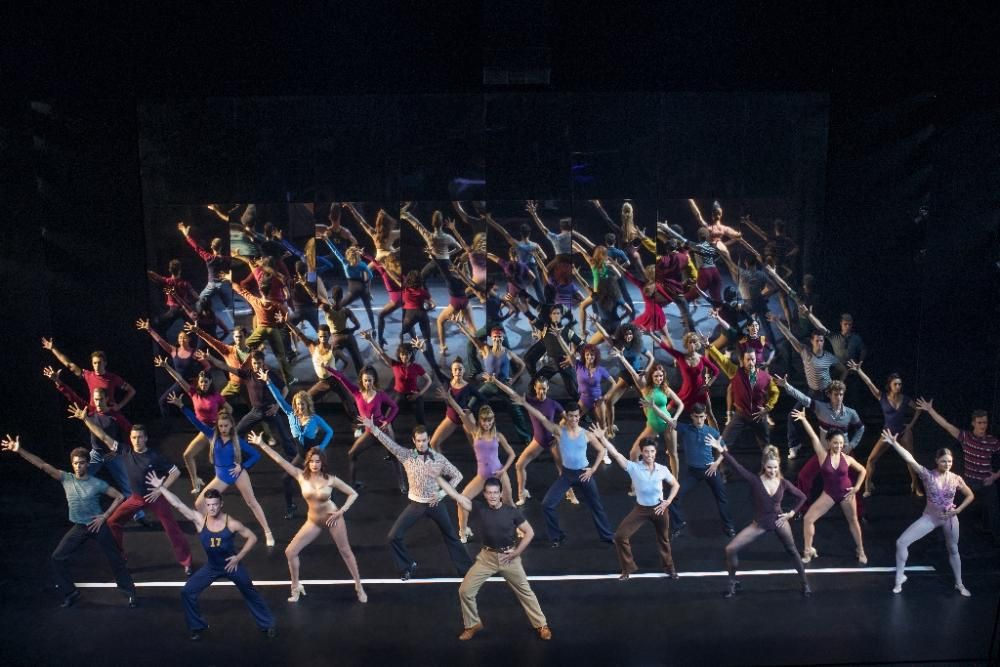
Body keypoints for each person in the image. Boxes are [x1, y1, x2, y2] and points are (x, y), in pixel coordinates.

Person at [1, 435, 137, 608]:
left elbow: (119, 496)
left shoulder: (97, 483)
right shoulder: (66, 478)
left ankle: (130, 592)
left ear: (87, 464)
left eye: (81, 462)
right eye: (75, 463)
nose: (78, 466)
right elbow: (42, 465)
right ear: (72, 464)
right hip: (79, 527)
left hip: (97, 527)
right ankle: (71, 593)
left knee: (115, 559)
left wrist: (104, 516)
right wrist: (19, 450)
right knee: (57, 558)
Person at [146, 477, 276, 640]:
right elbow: (178, 504)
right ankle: (197, 626)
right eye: (208, 505)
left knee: (251, 593)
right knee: (187, 592)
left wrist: (238, 557)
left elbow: (252, 537)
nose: (212, 508)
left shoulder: (231, 523)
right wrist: (162, 488)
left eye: (215, 504)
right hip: (213, 567)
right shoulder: (200, 521)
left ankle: (267, 624)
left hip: (232, 566)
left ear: (221, 504)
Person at [70, 409, 193, 574]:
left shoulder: (154, 456)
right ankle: (121, 558)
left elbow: (175, 471)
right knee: (113, 522)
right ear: (130, 438)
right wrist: (86, 419)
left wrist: (160, 489)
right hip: (136, 498)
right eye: (134, 437)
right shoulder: (125, 451)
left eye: (140, 437)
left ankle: (186, 562)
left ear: (146, 438)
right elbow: (104, 437)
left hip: (154, 498)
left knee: (172, 528)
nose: (137, 440)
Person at [250, 437, 367, 603]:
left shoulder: (331, 479)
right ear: (308, 462)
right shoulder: (300, 476)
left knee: (345, 551)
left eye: (318, 461)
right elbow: (280, 461)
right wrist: (262, 444)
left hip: (332, 519)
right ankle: (296, 587)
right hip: (313, 521)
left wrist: (341, 511)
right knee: (290, 552)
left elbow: (353, 493)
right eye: (312, 461)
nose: (314, 464)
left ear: (322, 463)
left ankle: (359, 586)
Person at [436, 476, 552, 641]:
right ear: (484, 494)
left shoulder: (511, 512)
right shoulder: (478, 509)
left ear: (501, 493)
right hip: (486, 558)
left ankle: (542, 625)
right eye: (489, 493)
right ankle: (472, 624)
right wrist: (438, 478)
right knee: (465, 591)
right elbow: (457, 496)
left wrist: (517, 552)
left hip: (509, 558)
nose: (492, 496)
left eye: (495, 493)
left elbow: (530, 532)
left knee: (526, 592)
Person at [363, 417, 472, 579]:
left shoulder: (438, 458)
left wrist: (442, 494)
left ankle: (467, 571)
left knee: (451, 537)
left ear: (428, 440)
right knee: (393, 536)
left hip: (435, 505)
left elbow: (457, 475)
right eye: (419, 441)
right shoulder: (406, 456)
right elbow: (390, 445)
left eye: (424, 440)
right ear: (414, 441)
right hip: (416, 505)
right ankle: (407, 565)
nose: (422, 443)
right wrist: (374, 429)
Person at [705, 437, 810, 598]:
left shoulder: (783, 483)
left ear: (779, 466)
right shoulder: (754, 480)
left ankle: (805, 583)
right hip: (760, 523)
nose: (772, 471)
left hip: (779, 521)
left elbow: (802, 497)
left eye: (775, 467)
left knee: (793, 551)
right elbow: (737, 467)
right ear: (763, 465)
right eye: (769, 467)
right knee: (730, 549)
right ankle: (733, 583)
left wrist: (791, 513)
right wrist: (721, 450)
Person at [165, 393, 274, 546]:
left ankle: (268, 531)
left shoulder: (237, 440)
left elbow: (255, 455)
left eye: (226, 426)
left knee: (252, 502)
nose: (223, 428)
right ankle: (211, 529)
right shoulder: (211, 435)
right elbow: (196, 422)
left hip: (237, 474)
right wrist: (182, 406)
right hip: (221, 477)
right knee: (199, 504)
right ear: (217, 425)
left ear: (231, 426)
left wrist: (242, 466)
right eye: (221, 426)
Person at [880, 430, 974, 596]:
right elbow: (910, 459)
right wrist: (895, 444)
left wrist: (958, 510)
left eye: (950, 461)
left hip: (950, 519)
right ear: (937, 461)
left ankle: (959, 583)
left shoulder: (956, 478)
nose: (947, 464)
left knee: (953, 549)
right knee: (901, 542)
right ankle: (899, 577)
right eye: (944, 461)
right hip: (930, 518)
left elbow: (970, 495)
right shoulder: (928, 475)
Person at [514, 398, 614, 547]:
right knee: (547, 504)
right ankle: (557, 537)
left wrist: (592, 469)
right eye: (571, 416)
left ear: (579, 416)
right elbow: (541, 417)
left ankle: (608, 535)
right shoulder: (559, 431)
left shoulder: (586, 434)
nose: (574, 419)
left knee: (596, 506)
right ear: (566, 416)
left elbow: (601, 450)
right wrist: (525, 404)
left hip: (583, 474)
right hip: (567, 475)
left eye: (576, 416)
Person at [915, 398, 1000, 545]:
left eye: (985, 423)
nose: (982, 426)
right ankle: (941, 534)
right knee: (947, 505)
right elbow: (946, 425)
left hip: (986, 481)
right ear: (973, 423)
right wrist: (930, 410)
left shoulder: (993, 441)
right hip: (969, 481)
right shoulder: (966, 437)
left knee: (994, 511)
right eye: (979, 423)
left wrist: (996, 476)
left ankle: (995, 537)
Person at [791, 409, 868, 565]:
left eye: (841, 443)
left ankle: (860, 550)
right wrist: (804, 420)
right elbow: (813, 436)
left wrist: (857, 488)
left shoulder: (847, 458)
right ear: (829, 442)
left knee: (853, 521)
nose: (839, 446)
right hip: (829, 494)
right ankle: (808, 550)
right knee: (808, 519)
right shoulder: (822, 455)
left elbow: (863, 470)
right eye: (835, 443)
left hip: (846, 494)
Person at [438, 390, 516, 542]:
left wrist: (504, 470)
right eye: (484, 420)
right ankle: (463, 530)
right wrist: (449, 399)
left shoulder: (498, 436)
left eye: (489, 420)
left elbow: (512, 454)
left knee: (509, 502)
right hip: (482, 476)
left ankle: (518, 527)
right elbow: (460, 413)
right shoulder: (474, 431)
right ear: (480, 420)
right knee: (462, 500)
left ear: (493, 420)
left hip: (498, 473)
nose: (487, 423)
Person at [260, 369, 334, 518]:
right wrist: (268, 382)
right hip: (301, 455)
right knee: (286, 479)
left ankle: (331, 508)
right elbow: (279, 398)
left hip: (314, 456)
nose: (300, 407)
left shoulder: (314, 419)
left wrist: (322, 446)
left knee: (321, 484)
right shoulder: (290, 414)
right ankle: (291, 507)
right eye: (298, 404)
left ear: (307, 404)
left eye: (302, 404)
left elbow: (330, 432)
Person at [603, 436, 680, 579]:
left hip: (659, 509)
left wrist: (668, 501)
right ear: (641, 452)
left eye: (652, 451)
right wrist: (602, 438)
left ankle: (670, 569)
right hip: (641, 510)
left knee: (664, 540)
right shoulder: (634, 467)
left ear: (655, 452)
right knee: (620, 536)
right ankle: (627, 569)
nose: (649, 455)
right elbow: (616, 454)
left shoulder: (662, 469)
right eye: (646, 451)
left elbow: (676, 485)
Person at [154, 357, 229, 494]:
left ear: (210, 382)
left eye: (206, 382)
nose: (204, 384)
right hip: (203, 431)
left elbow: (229, 409)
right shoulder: (193, 393)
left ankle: (224, 482)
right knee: (187, 455)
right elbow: (179, 379)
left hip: (215, 431)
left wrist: (221, 419)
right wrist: (166, 366)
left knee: (217, 461)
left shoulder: (215, 396)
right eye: (201, 382)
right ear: (198, 383)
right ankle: (196, 481)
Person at [849, 362, 922, 496]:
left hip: (902, 432)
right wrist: (859, 371)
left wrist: (910, 425)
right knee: (871, 459)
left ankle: (915, 485)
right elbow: (869, 383)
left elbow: (918, 409)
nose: (898, 386)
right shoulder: (881, 396)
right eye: (895, 384)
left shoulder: (905, 399)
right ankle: (867, 486)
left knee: (911, 460)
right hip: (888, 433)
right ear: (890, 385)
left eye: (900, 384)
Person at [325, 363, 400, 490]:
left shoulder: (380, 394)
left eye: (370, 380)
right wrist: (328, 368)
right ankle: (353, 484)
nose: (367, 383)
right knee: (351, 454)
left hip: (383, 431)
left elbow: (395, 407)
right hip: (369, 433)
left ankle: (402, 483)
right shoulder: (356, 393)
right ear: (362, 380)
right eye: (365, 380)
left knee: (395, 456)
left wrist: (387, 421)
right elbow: (342, 378)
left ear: (374, 380)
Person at [668, 404, 736, 537]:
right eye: (696, 417)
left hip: (710, 470)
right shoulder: (685, 429)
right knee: (674, 497)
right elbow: (668, 419)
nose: (699, 420)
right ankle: (678, 524)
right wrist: (653, 407)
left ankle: (729, 527)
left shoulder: (712, 431)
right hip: (693, 472)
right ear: (692, 417)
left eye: (702, 417)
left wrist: (716, 464)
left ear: (705, 416)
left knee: (722, 498)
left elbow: (724, 450)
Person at [706, 347, 779, 451]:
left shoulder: (765, 377)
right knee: (723, 443)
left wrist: (768, 408)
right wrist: (709, 347)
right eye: (748, 359)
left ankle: (768, 465)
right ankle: (720, 465)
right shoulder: (735, 372)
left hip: (758, 415)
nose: (751, 362)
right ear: (743, 361)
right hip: (741, 414)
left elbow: (775, 392)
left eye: (753, 359)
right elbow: (721, 359)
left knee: (766, 446)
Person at [41, 339, 136, 412]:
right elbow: (69, 364)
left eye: (99, 363)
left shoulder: (113, 378)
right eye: (94, 363)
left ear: (105, 363)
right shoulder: (88, 375)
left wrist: (119, 406)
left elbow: (131, 391)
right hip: (94, 414)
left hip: (110, 414)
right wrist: (53, 348)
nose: (97, 365)